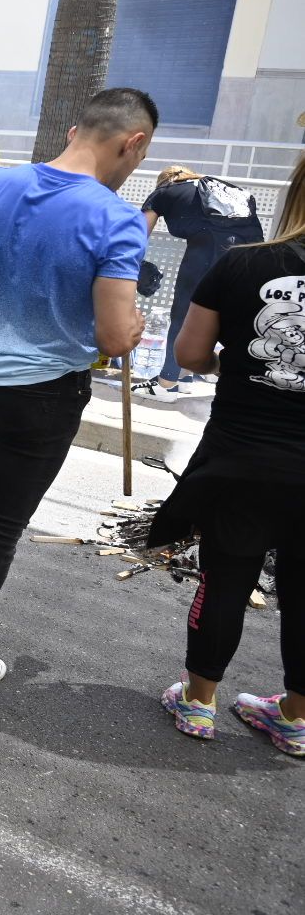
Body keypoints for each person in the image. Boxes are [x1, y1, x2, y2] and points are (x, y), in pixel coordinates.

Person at [0, 88, 154, 686]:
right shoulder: (117, 217)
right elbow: (115, 335)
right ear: (135, 143)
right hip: (46, 392)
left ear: (75, 129)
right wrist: (133, 327)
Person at [154, 151, 305, 758]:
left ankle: (199, 702)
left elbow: (190, 355)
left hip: (242, 455)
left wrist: (244, 369)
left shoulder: (242, 266)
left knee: (226, 576)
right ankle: (293, 717)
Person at [139, 165, 265, 394]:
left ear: (165, 181)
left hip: (209, 248)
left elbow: (138, 235)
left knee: (184, 314)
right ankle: (187, 375)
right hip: (252, 255)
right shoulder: (221, 188)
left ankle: (166, 384)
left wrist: (135, 266)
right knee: (222, 317)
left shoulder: (165, 190)